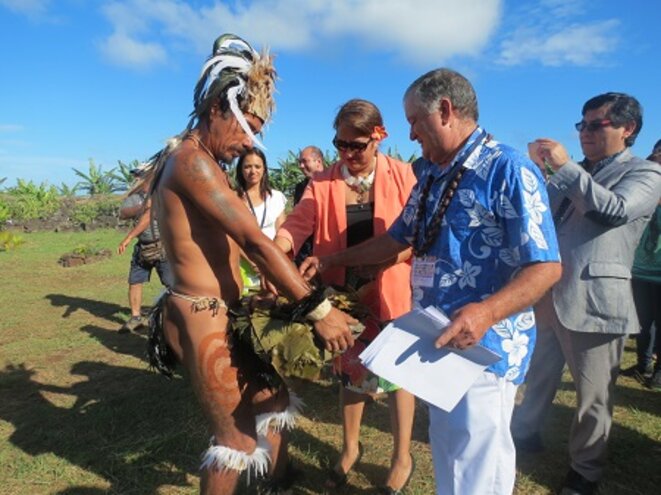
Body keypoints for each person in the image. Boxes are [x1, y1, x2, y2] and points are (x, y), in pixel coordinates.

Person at [299, 69, 562, 495]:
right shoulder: (434, 177)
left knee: (479, 469)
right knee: (449, 458)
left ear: (445, 110)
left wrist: (485, 312)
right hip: (437, 341)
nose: (410, 132)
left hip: (485, 347)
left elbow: (546, 267)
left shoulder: (508, 169)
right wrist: (330, 258)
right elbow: (393, 240)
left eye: (415, 120)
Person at [143, 34, 356, 494]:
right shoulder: (192, 164)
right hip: (200, 316)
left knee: (274, 399)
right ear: (220, 107)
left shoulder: (201, 162)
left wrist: (264, 281)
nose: (248, 144)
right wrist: (317, 309)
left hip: (226, 312)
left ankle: (278, 480)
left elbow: (233, 242)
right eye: (245, 129)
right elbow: (253, 238)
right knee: (235, 438)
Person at [511, 93, 661, 495]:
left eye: (597, 125)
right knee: (538, 374)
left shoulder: (647, 174)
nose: (586, 133)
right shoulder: (577, 173)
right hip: (549, 294)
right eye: (583, 125)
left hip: (596, 300)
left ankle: (586, 471)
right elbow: (543, 213)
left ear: (628, 129)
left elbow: (611, 210)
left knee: (593, 395)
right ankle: (524, 434)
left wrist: (564, 166)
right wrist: (535, 171)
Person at [274, 99, 418, 492]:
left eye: (358, 145)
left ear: (378, 138)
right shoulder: (322, 183)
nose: (350, 154)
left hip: (392, 289)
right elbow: (298, 223)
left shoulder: (404, 176)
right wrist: (277, 249)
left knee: (398, 375)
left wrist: (384, 265)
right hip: (342, 296)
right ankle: (350, 449)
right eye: (341, 145)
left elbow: (419, 234)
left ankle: (402, 456)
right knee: (350, 373)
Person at [621, 139, 661, 389]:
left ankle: (659, 372)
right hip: (640, 268)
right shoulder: (644, 183)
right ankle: (643, 362)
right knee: (642, 320)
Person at [117, 167, 173, 333]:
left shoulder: (161, 194)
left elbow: (147, 220)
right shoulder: (135, 198)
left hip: (161, 246)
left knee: (172, 284)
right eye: (136, 175)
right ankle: (135, 318)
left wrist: (128, 238)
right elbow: (122, 213)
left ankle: (173, 315)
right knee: (135, 282)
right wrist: (142, 206)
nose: (137, 178)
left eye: (140, 175)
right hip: (142, 247)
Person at [234, 148, 287, 291]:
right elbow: (231, 235)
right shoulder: (233, 199)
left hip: (273, 264)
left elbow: (282, 232)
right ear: (240, 169)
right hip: (242, 265)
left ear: (264, 169)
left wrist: (269, 262)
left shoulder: (276, 198)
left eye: (257, 166)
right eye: (247, 166)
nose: (253, 171)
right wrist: (252, 260)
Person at [292, 146, 325, 266]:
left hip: (327, 255)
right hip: (304, 255)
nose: (301, 166)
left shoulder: (333, 184)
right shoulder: (300, 188)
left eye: (305, 161)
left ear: (319, 162)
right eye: (299, 162)